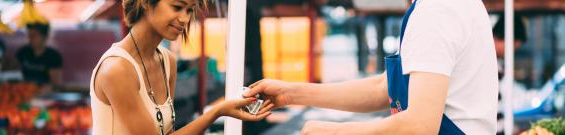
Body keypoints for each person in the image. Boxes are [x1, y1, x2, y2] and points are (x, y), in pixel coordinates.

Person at [245, 0, 498, 134]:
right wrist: (291, 94)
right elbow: (384, 87)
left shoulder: (438, 11)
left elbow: (419, 126)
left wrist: (335, 133)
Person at [89, 0, 273, 134]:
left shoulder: (167, 61)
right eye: (177, 7)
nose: (185, 18)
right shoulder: (116, 70)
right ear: (145, 2)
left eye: (190, 10)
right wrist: (218, 111)